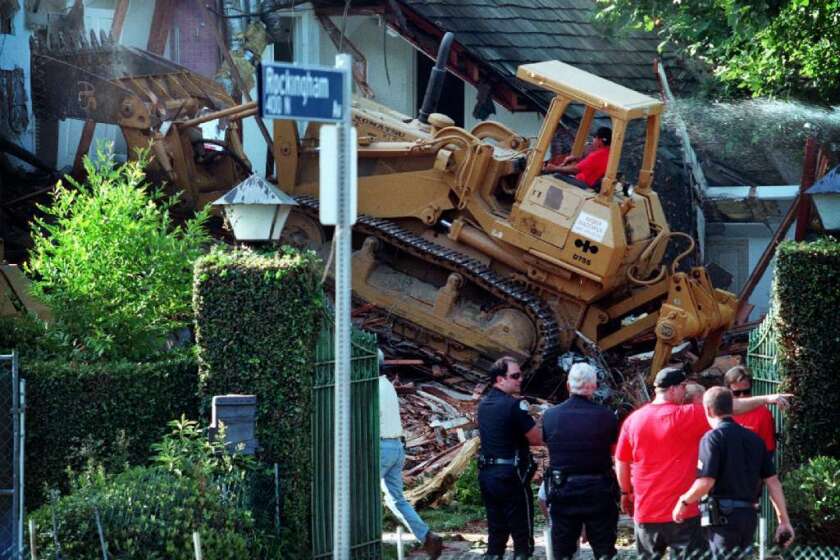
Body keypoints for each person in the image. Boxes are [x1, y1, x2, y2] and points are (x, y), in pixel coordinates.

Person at [615, 366, 792, 560]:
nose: (685, 390)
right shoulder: (689, 415)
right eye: (683, 386)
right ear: (673, 389)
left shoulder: (633, 421)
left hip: (646, 511)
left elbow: (621, 460)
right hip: (685, 513)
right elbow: (731, 407)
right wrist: (766, 399)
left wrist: (625, 492)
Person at [672, 387, 794, 559]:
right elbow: (773, 482)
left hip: (723, 519)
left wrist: (683, 501)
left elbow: (705, 482)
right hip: (748, 517)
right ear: (732, 408)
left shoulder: (712, 438)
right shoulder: (755, 439)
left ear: (707, 409)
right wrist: (784, 520)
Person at [542, 363, 619, 560]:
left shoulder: (550, 416)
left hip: (563, 490)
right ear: (594, 386)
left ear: (568, 386)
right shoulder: (607, 416)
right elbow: (613, 451)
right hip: (599, 491)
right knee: (604, 551)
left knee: (563, 551)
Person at [378, 351, 443, 559]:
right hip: (396, 446)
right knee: (396, 499)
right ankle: (426, 536)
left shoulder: (369, 387)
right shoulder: (387, 385)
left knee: (363, 496)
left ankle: (361, 542)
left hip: (381, 448)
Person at [477, 356, 543, 560]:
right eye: (514, 376)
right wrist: (541, 420)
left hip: (487, 474)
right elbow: (536, 439)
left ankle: (494, 555)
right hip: (511, 474)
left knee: (496, 532)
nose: (520, 379)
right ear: (499, 379)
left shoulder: (483, 405)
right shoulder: (515, 406)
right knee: (521, 534)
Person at [725, 366, 776, 455]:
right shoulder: (721, 410)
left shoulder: (762, 413)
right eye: (736, 393)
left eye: (746, 392)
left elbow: (768, 449)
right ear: (727, 391)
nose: (742, 396)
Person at [544, 126, 611, 189]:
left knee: (556, 175)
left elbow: (575, 169)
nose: (593, 140)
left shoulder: (597, 155)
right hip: (588, 183)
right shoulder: (608, 154)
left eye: (594, 138)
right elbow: (590, 164)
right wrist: (576, 158)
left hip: (582, 183)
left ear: (600, 140)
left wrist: (555, 168)